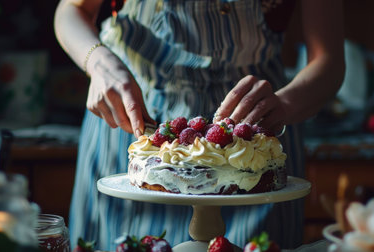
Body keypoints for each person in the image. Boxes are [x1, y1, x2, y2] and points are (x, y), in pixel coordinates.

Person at [54, 0, 345, 250]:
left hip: (254, 143)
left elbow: (329, 60)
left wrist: (285, 104)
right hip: (132, 123)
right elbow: (70, 10)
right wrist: (99, 62)